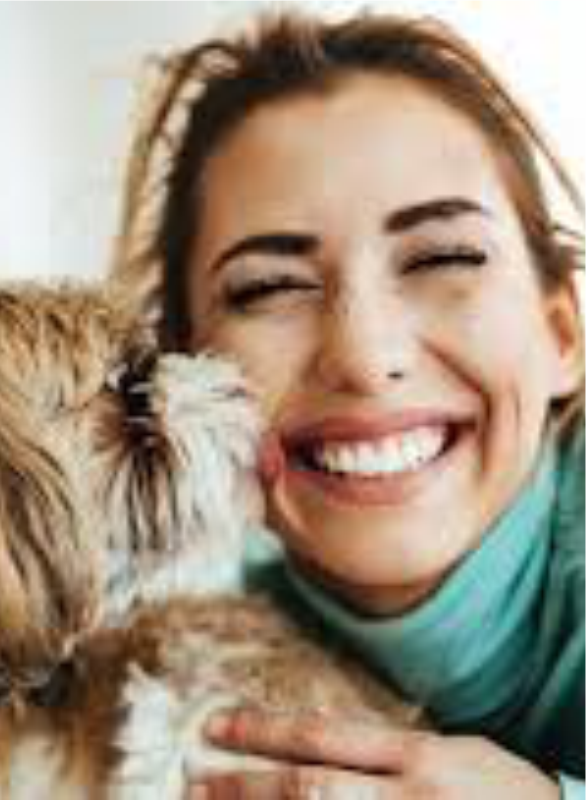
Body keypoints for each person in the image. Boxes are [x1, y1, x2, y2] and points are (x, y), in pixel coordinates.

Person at [112, 8, 586, 799]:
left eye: (442, 256)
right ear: (178, 369)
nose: (364, 357)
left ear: (562, 334)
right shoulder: (179, 655)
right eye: (268, 287)